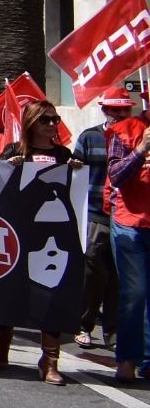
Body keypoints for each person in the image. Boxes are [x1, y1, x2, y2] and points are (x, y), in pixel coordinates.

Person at [0, 99, 83, 383]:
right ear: (31, 122)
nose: (52, 125)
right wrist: (6, 167)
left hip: (56, 236)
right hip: (20, 233)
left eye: (55, 119)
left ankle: (50, 360)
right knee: (11, 289)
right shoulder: (14, 151)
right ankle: (3, 343)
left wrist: (76, 170)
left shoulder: (63, 153)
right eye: (45, 120)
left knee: (55, 293)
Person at [73, 87, 133, 348]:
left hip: (127, 216)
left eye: (125, 109)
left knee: (120, 277)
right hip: (96, 213)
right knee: (93, 271)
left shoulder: (140, 138)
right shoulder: (89, 137)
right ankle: (83, 324)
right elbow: (73, 169)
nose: (120, 114)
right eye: (114, 109)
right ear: (104, 110)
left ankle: (113, 333)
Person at [104, 94, 150, 384]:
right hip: (131, 222)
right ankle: (128, 358)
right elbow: (116, 174)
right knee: (135, 295)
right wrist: (142, 149)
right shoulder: (126, 131)